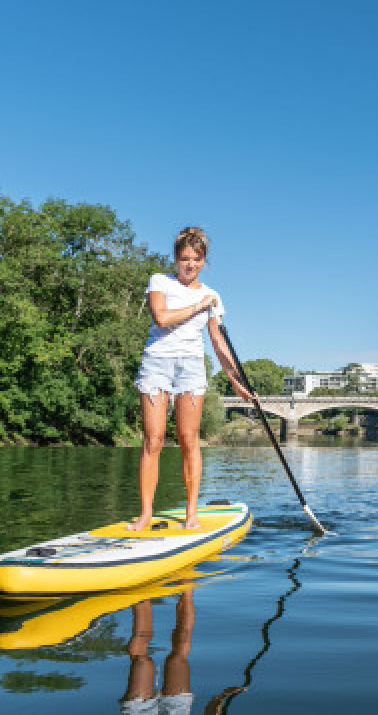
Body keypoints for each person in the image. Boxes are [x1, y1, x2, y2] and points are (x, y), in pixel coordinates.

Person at [129, 226, 254, 531]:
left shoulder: (214, 296)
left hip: (191, 367)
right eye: (185, 258)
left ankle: (191, 513)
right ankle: (146, 514)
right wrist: (200, 304)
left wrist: (237, 381)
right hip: (158, 363)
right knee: (153, 440)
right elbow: (161, 316)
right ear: (175, 259)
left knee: (189, 440)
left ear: (204, 261)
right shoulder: (160, 282)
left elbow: (218, 343)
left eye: (196, 259)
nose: (190, 265)